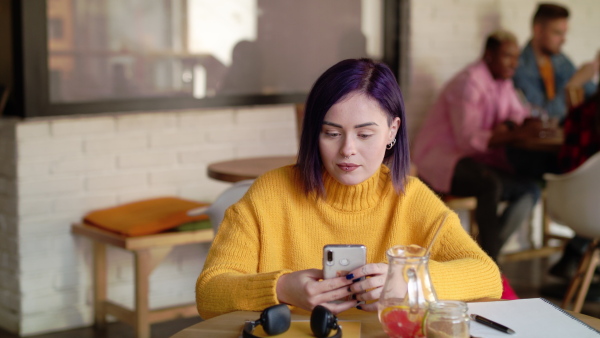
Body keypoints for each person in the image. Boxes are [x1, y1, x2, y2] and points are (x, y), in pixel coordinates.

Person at [196, 58, 502, 320]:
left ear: (392, 131)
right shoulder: (270, 195)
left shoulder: (411, 198)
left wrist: (408, 281)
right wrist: (282, 288)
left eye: (365, 134)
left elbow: (487, 277)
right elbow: (209, 292)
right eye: (331, 133)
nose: (347, 150)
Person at [412, 30, 542, 262]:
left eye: (516, 57)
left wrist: (511, 124)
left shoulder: (503, 81)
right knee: (489, 185)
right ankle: (489, 260)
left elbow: (518, 112)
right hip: (441, 159)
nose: (514, 63)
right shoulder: (469, 83)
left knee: (530, 188)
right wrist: (515, 135)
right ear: (489, 55)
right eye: (507, 56)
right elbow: (468, 139)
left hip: (473, 160)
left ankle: (484, 256)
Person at [513, 3, 597, 121]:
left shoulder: (561, 60)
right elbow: (543, 115)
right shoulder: (517, 67)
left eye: (564, 33)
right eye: (557, 33)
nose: (564, 40)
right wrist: (573, 84)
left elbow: (592, 95)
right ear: (538, 31)